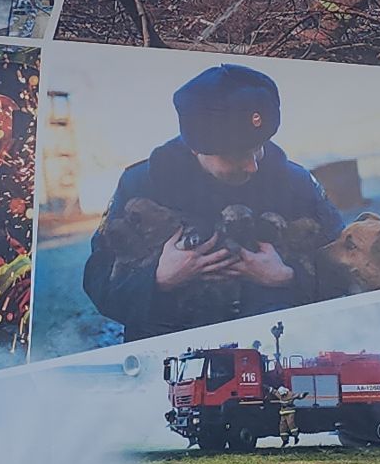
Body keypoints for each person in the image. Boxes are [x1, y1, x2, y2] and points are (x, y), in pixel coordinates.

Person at [81, 64, 342, 341]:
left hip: (275, 341)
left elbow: (347, 269)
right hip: (175, 345)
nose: (253, 165)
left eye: (259, 147)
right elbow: (98, 284)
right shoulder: (141, 185)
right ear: (196, 148)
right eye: (238, 154)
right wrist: (158, 280)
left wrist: (287, 277)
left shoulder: (296, 183)